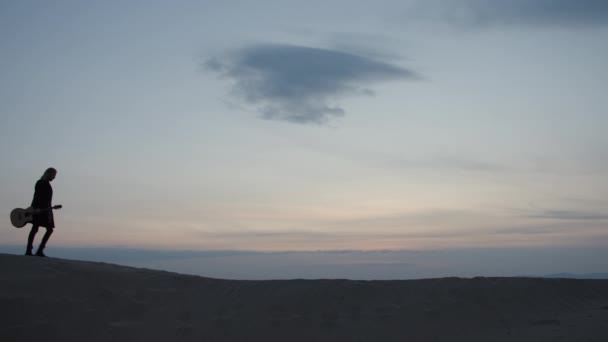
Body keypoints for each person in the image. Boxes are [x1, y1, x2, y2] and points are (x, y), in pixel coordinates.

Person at [26, 168, 57, 257]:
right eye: (53, 175)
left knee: (49, 229)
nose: (54, 177)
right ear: (48, 173)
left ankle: (40, 250)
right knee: (35, 228)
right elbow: (37, 197)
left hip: (46, 210)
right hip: (38, 209)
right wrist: (35, 209)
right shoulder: (40, 182)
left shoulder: (47, 184)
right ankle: (29, 250)